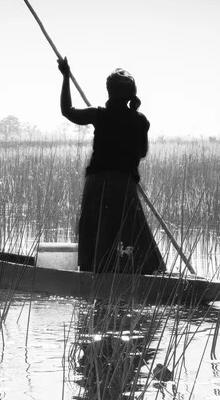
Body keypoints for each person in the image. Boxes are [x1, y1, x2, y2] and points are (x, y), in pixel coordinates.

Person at [58, 58, 164, 275]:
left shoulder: (99, 114)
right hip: (123, 184)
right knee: (132, 230)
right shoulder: (140, 120)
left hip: (98, 183)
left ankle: (97, 273)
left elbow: (67, 110)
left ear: (110, 92)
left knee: (96, 231)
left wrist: (66, 76)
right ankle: (145, 273)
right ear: (130, 94)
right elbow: (142, 153)